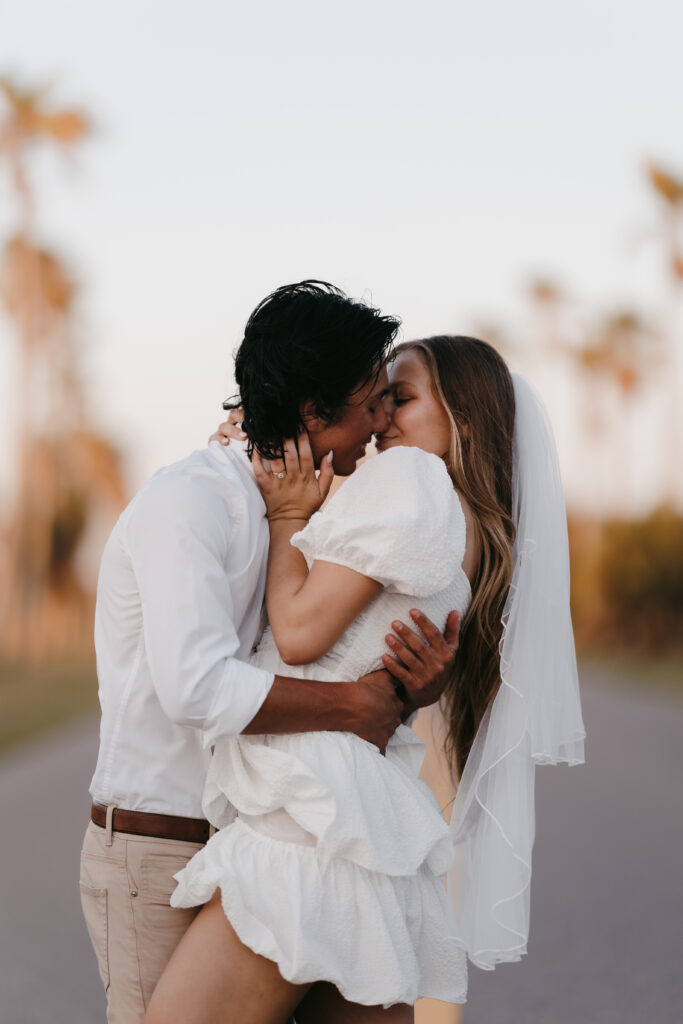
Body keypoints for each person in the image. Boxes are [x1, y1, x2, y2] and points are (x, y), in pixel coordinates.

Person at [144, 335, 585, 1023]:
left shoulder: (410, 483)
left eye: (399, 399)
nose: (380, 420)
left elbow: (296, 635)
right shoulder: (467, 530)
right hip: (369, 834)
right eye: (377, 400)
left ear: (462, 419)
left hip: (305, 826)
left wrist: (287, 514)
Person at [79, 282, 462, 1024]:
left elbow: (328, 640)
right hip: (156, 848)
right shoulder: (187, 502)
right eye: (369, 402)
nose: (380, 421)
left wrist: (415, 682)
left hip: (260, 842)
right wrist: (355, 706)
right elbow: (197, 689)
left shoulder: (312, 507)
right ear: (314, 414)